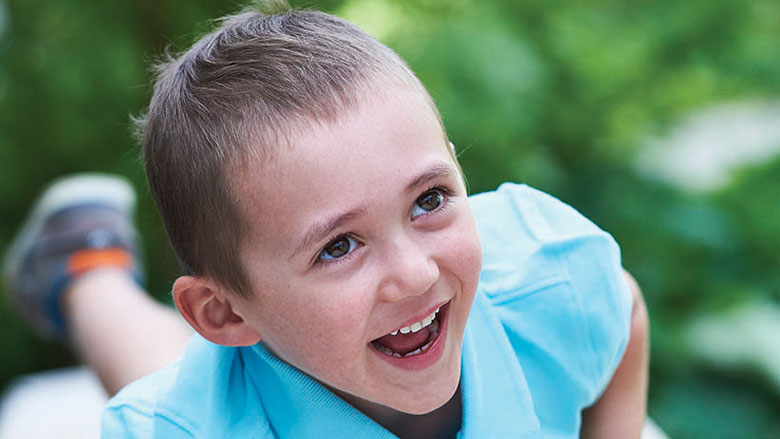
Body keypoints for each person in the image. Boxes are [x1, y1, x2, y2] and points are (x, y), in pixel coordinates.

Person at [3, 1, 649, 438]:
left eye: (429, 199)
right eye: (339, 245)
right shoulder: (179, 426)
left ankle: (84, 254)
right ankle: (87, 271)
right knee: (185, 378)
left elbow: (621, 310)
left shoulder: (548, 283)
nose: (416, 273)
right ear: (224, 312)